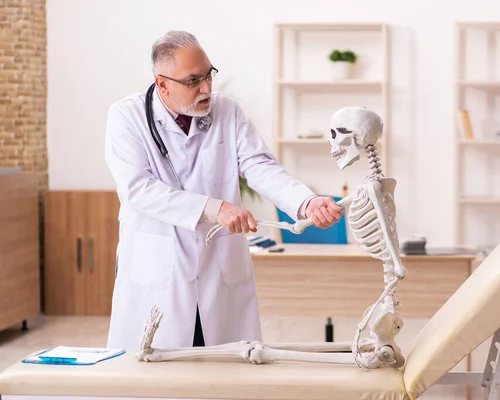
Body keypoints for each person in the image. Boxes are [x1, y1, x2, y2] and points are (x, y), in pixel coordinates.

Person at [104, 30, 343, 350]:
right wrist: (215, 208)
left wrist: (306, 202)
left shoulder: (227, 111)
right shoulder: (127, 117)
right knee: (157, 382)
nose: (206, 89)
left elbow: (260, 166)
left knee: (227, 376)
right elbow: (138, 189)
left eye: (209, 75)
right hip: (160, 276)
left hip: (220, 273)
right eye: (193, 81)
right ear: (162, 84)